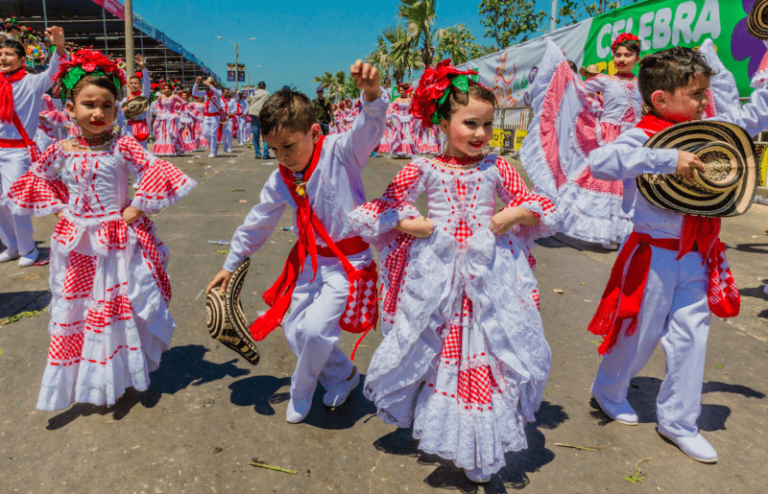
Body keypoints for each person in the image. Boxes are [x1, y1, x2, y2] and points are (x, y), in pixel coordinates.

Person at [347, 60, 556, 484]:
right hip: (440, 276)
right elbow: (386, 205)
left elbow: (540, 204)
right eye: (470, 124)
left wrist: (511, 213)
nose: (480, 134)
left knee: (491, 347)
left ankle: (481, 444)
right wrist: (410, 223)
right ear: (443, 122)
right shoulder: (423, 166)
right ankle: (456, 437)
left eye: (487, 125)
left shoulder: (497, 167)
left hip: (489, 275)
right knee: (440, 350)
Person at [587, 40, 768, 464]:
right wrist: (668, 159)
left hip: (697, 254)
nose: (708, 101)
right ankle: (608, 389)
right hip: (652, 255)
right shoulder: (643, 133)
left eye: (706, 92)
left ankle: (680, 421)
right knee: (641, 333)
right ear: (661, 99)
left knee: (692, 337)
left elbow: (755, 114)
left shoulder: (714, 127)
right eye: (698, 94)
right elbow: (600, 162)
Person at [3, 49, 196, 411]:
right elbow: (35, 179)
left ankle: (118, 377)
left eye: (106, 105)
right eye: (88, 104)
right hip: (76, 246)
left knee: (115, 310)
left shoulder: (121, 144)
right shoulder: (61, 148)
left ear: (115, 109)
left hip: (117, 243)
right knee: (79, 311)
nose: (97, 113)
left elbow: (156, 170)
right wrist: (65, 208)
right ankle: (86, 381)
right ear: (71, 108)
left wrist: (136, 208)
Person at [206, 60, 388, 425]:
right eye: (275, 150)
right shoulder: (281, 178)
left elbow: (369, 129)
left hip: (347, 264)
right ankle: (343, 377)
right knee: (295, 330)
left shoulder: (341, 151)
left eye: (288, 145)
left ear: (314, 132)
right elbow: (258, 220)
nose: (283, 157)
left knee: (317, 331)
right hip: (309, 263)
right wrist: (231, 263)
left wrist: (371, 95)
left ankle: (301, 390)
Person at [521, 34, 644, 249]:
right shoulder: (605, 80)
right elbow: (576, 90)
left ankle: (628, 233)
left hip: (636, 139)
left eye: (628, 55)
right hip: (609, 139)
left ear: (637, 57)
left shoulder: (643, 83)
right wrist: (565, 76)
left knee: (631, 186)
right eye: (617, 55)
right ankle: (608, 234)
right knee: (610, 184)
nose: (622, 59)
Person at [0, 27, 66, 267]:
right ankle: (12, 246)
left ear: (22, 60)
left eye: (8, 54)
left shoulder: (32, 82)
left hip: (17, 152)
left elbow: (54, 72)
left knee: (15, 201)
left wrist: (59, 46)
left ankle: (29, 249)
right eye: (0, 54)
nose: (3, 58)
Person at [120, 54, 151, 149]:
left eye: (136, 83)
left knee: (141, 153)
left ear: (140, 85)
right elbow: (117, 113)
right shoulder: (125, 100)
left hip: (141, 128)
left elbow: (147, 84)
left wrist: (143, 67)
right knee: (129, 152)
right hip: (128, 128)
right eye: (131, 83)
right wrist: (122, 111)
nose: (133, 85)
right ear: (128, 85)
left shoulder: (143, 97)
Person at [192, 76, 224, 158]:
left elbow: (220, 94)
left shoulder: (217, 92)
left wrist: (211, 86)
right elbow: (194, 93)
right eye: (208, 83)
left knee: (213, 134)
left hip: (215, 116)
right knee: (206, 133)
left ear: (213, 84)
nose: (208, 84)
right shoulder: (205, 92)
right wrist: (196, 83)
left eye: (210, 83)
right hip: (206, 116)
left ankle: (213, 151)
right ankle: (215, 146)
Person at [152, 83, 182, 156]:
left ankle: (171, 150)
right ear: (163, 89)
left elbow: (182, 103)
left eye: (168, 88)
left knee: (170, 132)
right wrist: (159, 112)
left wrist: (177, 111)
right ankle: (162, 150)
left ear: (171, 89)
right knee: (162, 133)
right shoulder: (161, 96)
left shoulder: (174, 96)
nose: (166, 90)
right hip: (163, 117)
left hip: (171, 117)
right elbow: (157, 105)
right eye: (165, 88)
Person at [248, 80, 270, 158]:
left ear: (258, 87)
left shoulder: (253, 93)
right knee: (265, 135)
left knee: (255, 135)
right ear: (264, 87)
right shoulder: (267, 93)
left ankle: (257, 154)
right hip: (263, 115)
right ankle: (265, 154)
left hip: (254, 114)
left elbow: (249, 101)